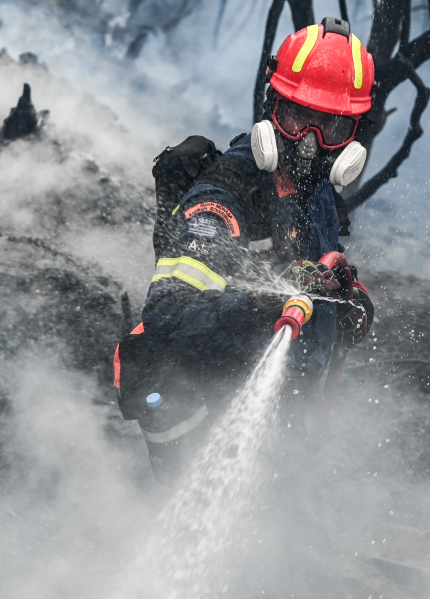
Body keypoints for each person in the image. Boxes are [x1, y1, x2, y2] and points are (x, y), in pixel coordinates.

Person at [114, 17, 376, 599]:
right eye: (295, 117)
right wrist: (270, 305)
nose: (309, 143)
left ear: (353, 131)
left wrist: (347, 304)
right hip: (211, 428)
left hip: (284, 433)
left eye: (330, 124)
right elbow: (172, 316)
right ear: (268, 106)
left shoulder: (317, 197)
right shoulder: (223, 196)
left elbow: (317, 279)